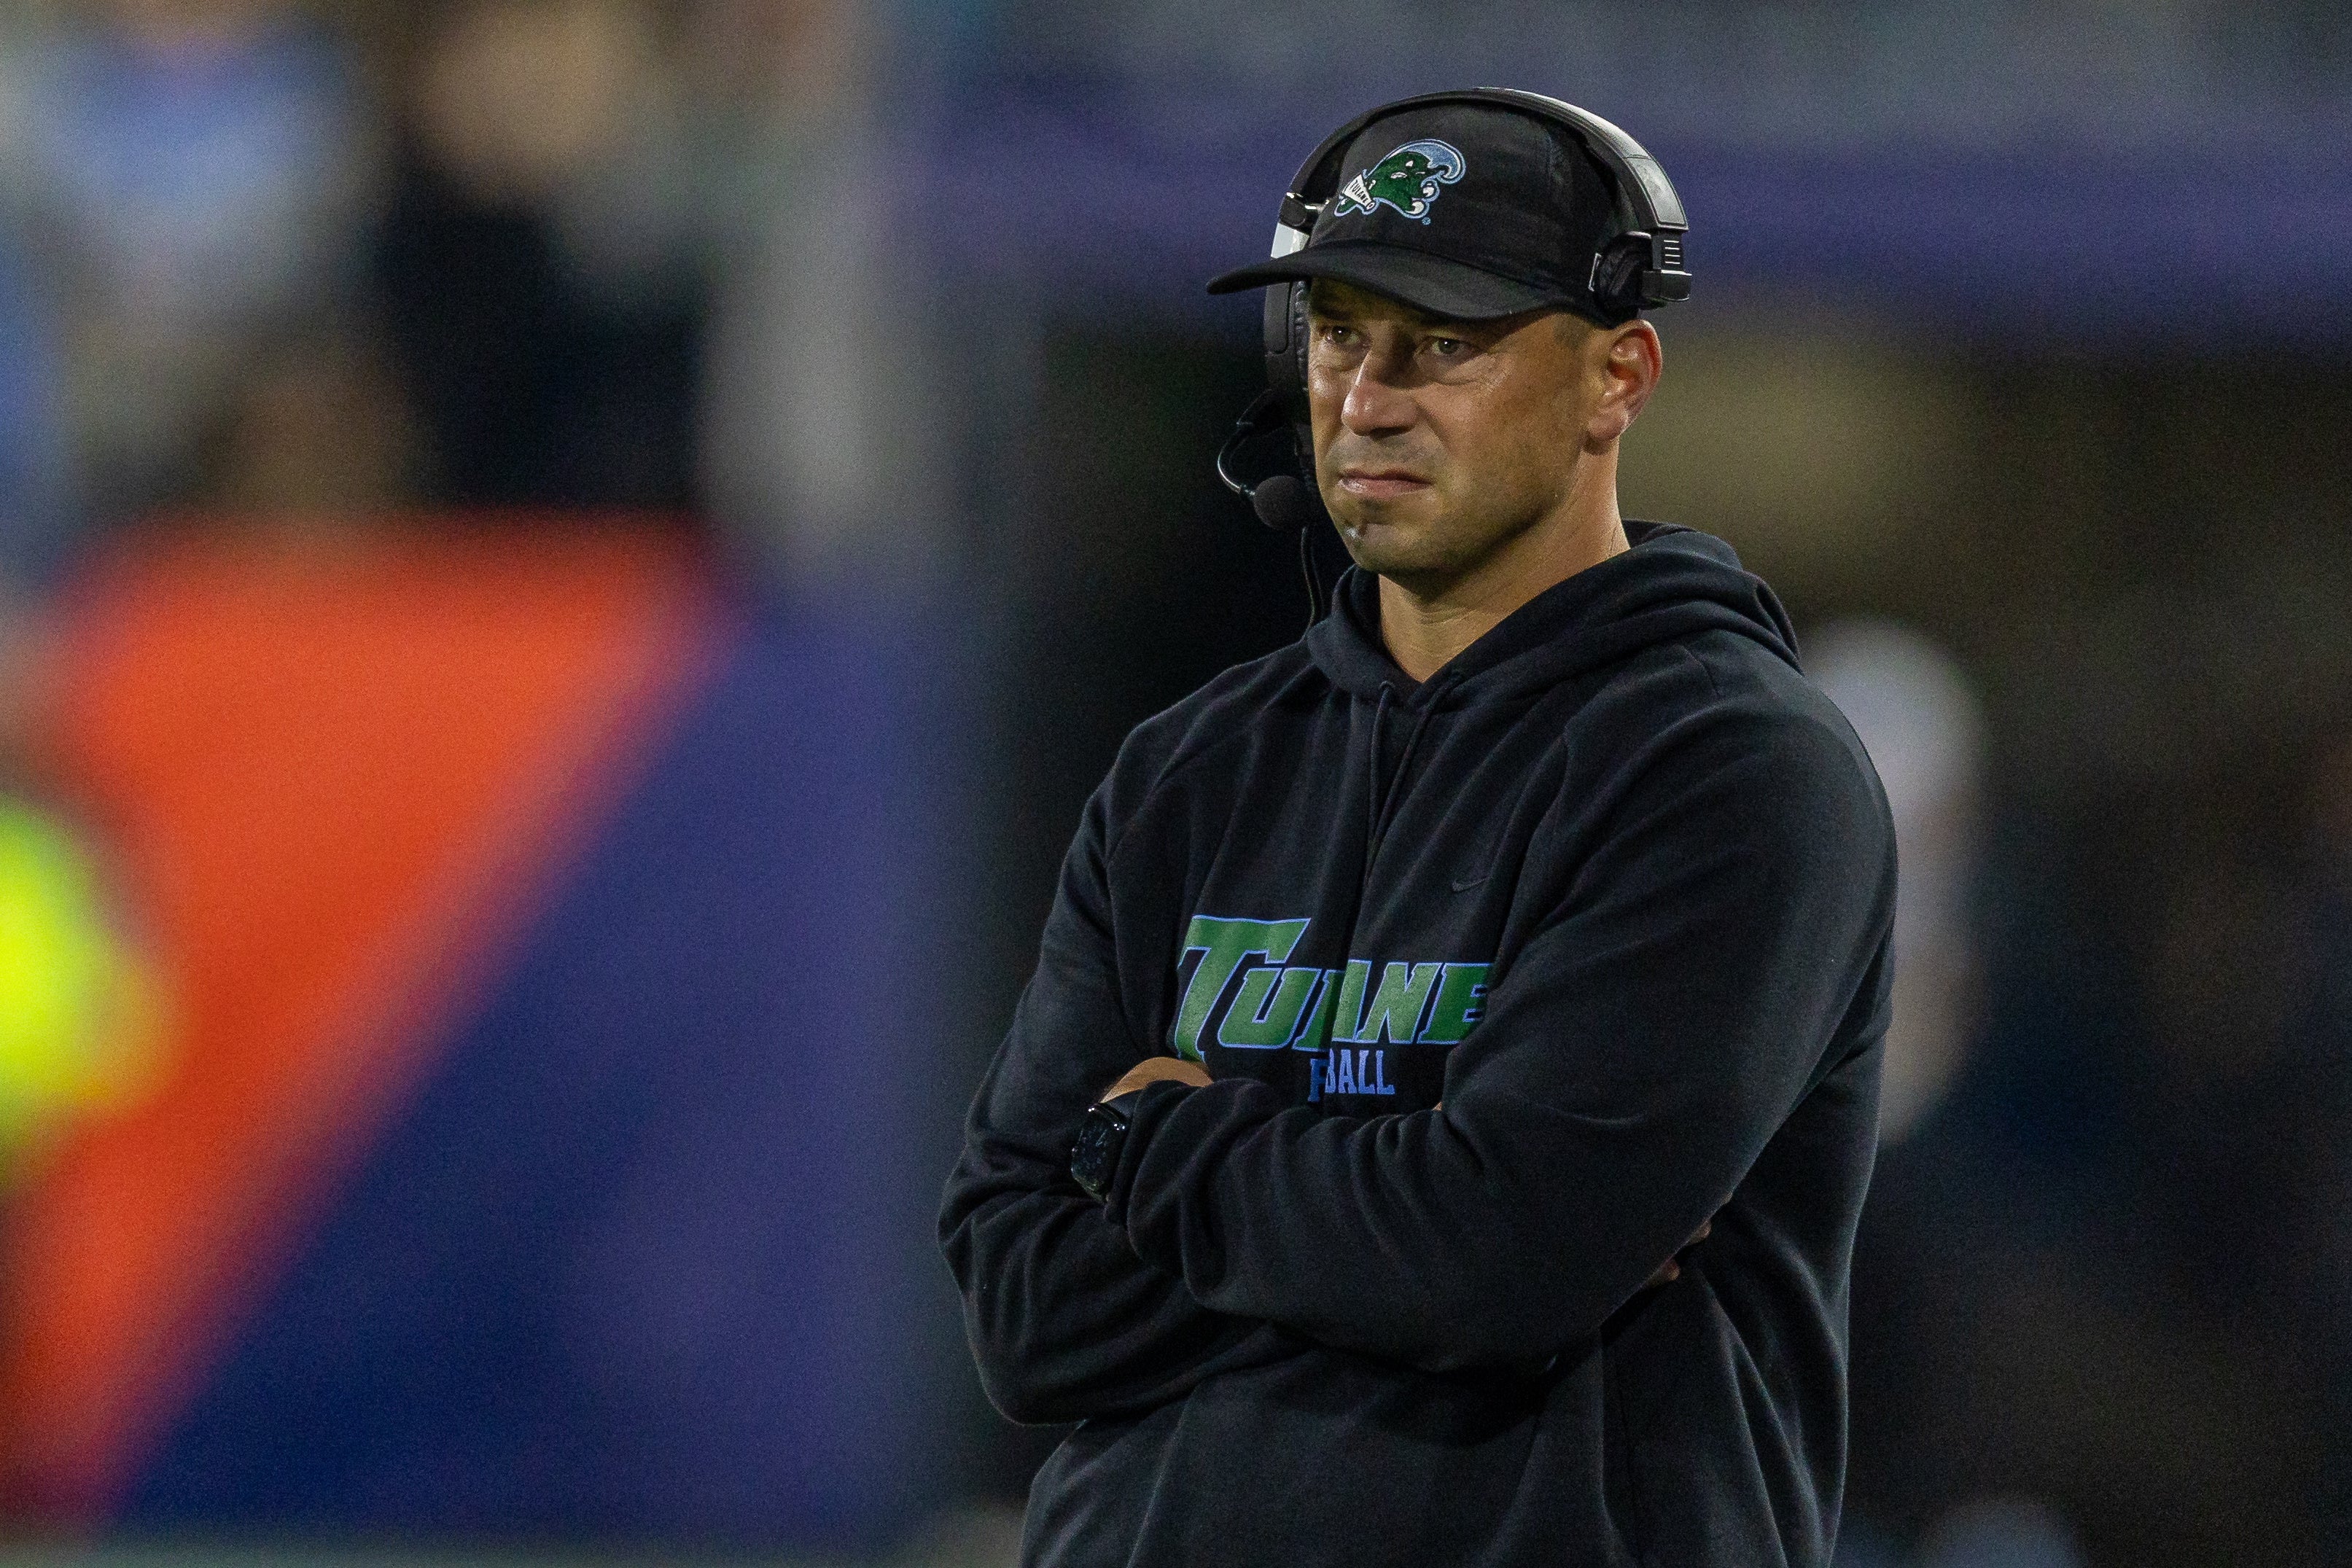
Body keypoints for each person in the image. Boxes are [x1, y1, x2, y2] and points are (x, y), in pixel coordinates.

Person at [941, 91, 1895, 1568]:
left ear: (1615, 376)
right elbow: (1022, 1307)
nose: (1366, 395)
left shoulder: (1734, 771)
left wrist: (1158, 1148)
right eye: (1335, 333)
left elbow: (1502, 1254)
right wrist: (1409, 1199)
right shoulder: (1188, 772)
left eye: (1442, 343)